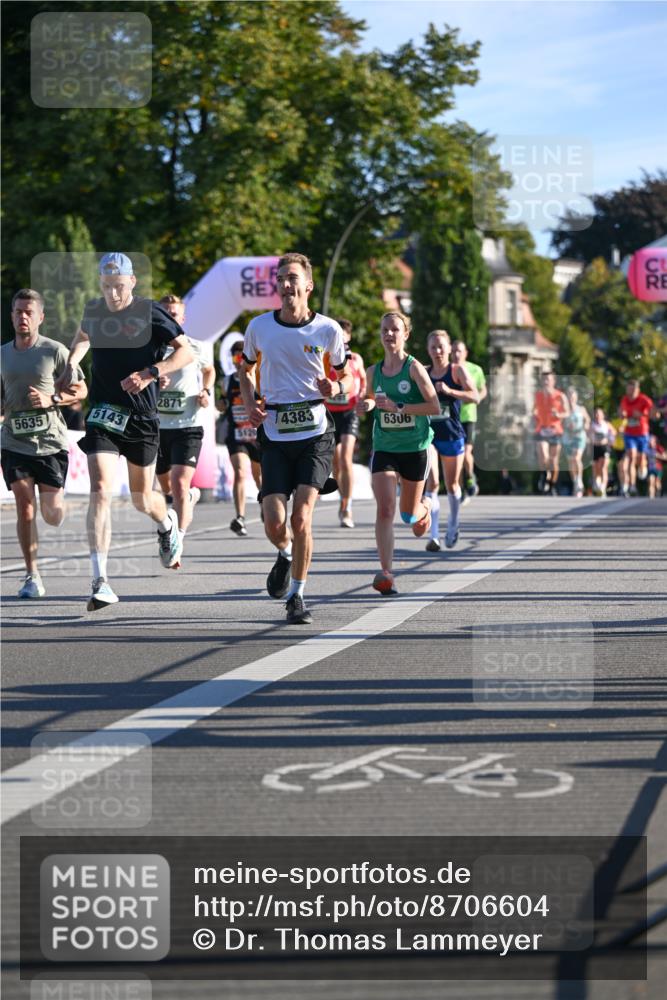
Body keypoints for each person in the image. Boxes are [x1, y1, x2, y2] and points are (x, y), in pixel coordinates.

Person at [56, 253, 194, 610]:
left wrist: (151, 371)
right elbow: (83, 336)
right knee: (100, 489)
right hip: (103, 413)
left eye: (118, 287)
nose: (113, 295)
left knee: (140, 499)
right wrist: (72, 362)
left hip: (143, 417)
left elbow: (185, 353)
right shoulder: (96, 310)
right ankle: (100, 580)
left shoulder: (150, 312)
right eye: (106, 287)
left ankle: (166, 523)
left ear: (132, 282)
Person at [239, 252, 351, 625]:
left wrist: (333, 385)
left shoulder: (328, 330)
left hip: (315, 433)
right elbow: (245, 370)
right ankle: (284, 553)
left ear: (308, 285)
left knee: (301, 518)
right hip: (274, 431)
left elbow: (345, 378)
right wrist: (252, 402)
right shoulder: (259, 327)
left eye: (293, 278)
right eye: (282, 279)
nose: (286, 285)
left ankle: (298, 596)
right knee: (274, 521)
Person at [1, 288, 87, 598]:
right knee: (25, 508)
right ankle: (31, 575)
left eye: (28, 312)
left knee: (52, 514)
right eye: (17, 311)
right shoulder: (2, 354)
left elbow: (81, 391)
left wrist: (51, 398)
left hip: (50, 443)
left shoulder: (56, 351)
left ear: (40, 317)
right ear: (12, 316)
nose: (22, 316)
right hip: (13, 442)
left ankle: (57, 511)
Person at [356, 311, 439, 594]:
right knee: (386, 508)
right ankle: (386, 572)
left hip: (415, 448)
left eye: (395, 330)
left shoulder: (414, 369)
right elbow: (369, 398)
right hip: (385, 446)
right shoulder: (373, 372)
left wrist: (400, 408)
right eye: (384, 330)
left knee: (410, 519)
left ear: (406, 334)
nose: (389, 334)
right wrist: (366, 405)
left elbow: (434, 407)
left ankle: (424, 506)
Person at [155, 293, 215, 559]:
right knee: (166, 487)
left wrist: (207, 391)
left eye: (174, 314)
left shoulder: (194, 346)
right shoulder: (149, 348)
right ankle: (188, 499)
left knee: (179, 483)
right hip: (156, 427)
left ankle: (177, 541)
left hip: (187, 425)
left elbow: (209, 370)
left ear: (182, 318)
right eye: (165, 313)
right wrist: (155, 381)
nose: (170, 318)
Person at [423, 331, 480, 551]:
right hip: (429, 435)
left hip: (452, 434)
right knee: (433, 483)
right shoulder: (424, 373)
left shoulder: (456, 371)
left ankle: (453, 524)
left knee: (452, 484)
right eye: (433, 347)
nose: (437, 351)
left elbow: (474, 396)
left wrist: (450, 391)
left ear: (449, 349)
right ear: (428, 350)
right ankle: (434, 535)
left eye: (441, 347)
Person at [324, 318, 366, 528]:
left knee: (345, 456)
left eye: (343, 334)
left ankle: (347, 505)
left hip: (349, 412)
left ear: (348, 336)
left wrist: (364, 400)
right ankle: (343, 499)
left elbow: (365, 382)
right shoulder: (326, 357)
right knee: (335, 462)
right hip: (330, 413)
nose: (340, 337)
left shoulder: (356, 359)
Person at [219, 339, 262, 535]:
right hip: (236, 434)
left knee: (259, 475)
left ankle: (265, 506)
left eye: (241, 355)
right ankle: (240, 516)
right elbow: (222, 404)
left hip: (257, 434)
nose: (238, 360)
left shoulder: (259, 378)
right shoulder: (226, 381)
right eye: (235, 356)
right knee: (240, 471)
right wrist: (220, 404)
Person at [451, 339, 486, 501]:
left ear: (465, 353)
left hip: (469, 416)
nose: (457, 354)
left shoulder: (475, 370)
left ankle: (470, 476)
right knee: (455, 455)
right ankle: (459, 490)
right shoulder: (448, 369)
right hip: (452, 417)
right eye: (454, 351)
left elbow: (482, 390)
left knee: (465, 453)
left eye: (460, 351)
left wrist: (475, 398)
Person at [532, 371, 568, 495]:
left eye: (548, 379)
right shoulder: (538, 395)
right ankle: (543, 476)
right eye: (544, 379)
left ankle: (552, 484)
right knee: (543, 455)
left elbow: (567, 412)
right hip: (541, 429)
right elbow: (534, 409)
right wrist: (534, 414)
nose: (546, 381)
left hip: (555, 430)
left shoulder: (560, 396)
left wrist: (559, 414)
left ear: (554, 381)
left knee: (553, 461)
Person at [618, 378, 653, 495]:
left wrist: (642, 414)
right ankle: (632, 485)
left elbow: (653, 412)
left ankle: (643, 465)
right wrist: (622, 415)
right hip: (630, 433)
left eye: (633, 390)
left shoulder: (644, 399)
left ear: (638, 390)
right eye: (629, 389)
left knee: (641, 458)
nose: (631, 393)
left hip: (642, 433)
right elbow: (621, 413)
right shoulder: (624, 399)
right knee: (631, 457)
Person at [562, 386, 590, 497]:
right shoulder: (564, 410)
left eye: (573, 397)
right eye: (569, 397)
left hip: (579, 436)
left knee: (576, 457)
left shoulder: (581, 409)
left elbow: (587, 419)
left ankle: (579, 479)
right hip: (568, 437)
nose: (571, 399)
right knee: (570, 462)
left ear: (576, 397)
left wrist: (586, 425)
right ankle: (575, 482)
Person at [589, 407, 615, 496]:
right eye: (596, 414)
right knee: (596, 468)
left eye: (599, 414)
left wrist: (610, 441)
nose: (597, 416)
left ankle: (603, 487)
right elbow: (587, 435)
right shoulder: (591, 425)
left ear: (603, 415)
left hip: (604, 447)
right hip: (595, 448)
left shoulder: (607, 424)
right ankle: (597, 484)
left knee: (604, 467)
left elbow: (613, 433)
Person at [647, 434, 666, 499]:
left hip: (658, 468)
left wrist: (658, 456)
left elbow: (665, 457)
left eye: (652, 440)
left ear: (655, 441)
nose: (650, 442)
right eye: (649, 441)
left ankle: (658, 493)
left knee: (657, 482)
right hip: (650, 468)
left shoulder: (659, 448)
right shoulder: (647, 448)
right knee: (651, 481)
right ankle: (651, 497)